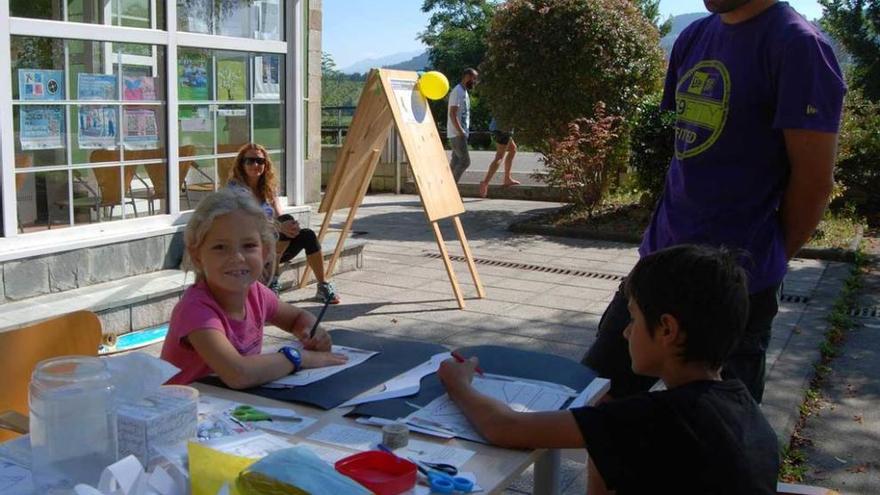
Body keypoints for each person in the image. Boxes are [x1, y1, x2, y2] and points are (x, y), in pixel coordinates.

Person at [582, 0, 846, 403]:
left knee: (717, 444)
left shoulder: (798, 46)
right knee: (597, 403)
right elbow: (691, 152)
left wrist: (756, 265)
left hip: (734, 288)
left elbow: (813, 183)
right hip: (658, 267)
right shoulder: (694, 37)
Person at [439, 245, 780, 494]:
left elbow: (505, 428)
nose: (626, 332)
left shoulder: (653, 418)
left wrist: (460, 384)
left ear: (667, 330)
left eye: (633, 318)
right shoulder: (744, 409)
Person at [160, 188, 348, 388]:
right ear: (197, 255)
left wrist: (313, 331)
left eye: (249, 246)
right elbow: (238, 373)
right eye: (220, 247)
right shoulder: (196, 310)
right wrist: (298, 358)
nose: (237, 257)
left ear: (265, 251)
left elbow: (296, 318)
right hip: (187, 413)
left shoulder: (256, 294)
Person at [227, 143, 340, 304]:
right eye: (250, 161)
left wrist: (291, 225)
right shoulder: (235, 190)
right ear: (241, 164)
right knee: (279, 229)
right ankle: (272, 279)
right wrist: (280, 226)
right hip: (249, 246)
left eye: (260, 161)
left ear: (265, 165)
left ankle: (323, 285)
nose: (255, 165)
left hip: (275, 243)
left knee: (306, 234)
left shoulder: (267, 188)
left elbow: (278, 214)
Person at [447, 68, 478, 183]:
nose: (474, 82)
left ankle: (446, 188)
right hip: (457, 134)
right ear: (466, 77)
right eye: (473, 79)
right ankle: (452, 190)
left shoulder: (464, 92)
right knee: (465, 161)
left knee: (455, 162)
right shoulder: (457, 92)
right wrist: (460, 131)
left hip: (460, 133)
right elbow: (452, 113)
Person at [478, 117, 520, 198]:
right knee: (499, 156)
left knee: (513, 149)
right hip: (503, 129)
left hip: (497, 128)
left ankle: (507, 178)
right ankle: (485, 182)